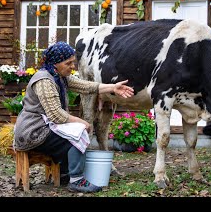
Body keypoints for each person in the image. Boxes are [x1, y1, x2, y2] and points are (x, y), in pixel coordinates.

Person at [13, 41, 134, 193]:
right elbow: (56, 114)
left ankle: (65, 174)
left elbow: (86, 86)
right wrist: (82, 122)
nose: (73, 67)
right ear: (55, 63)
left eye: (73, 62)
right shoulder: (45, 80)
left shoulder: (58, 76)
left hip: (43, 127)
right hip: (33, 132)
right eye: (68, 63)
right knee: (77, 133)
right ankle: (77, 180)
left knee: (72, 132)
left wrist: (113, 87)